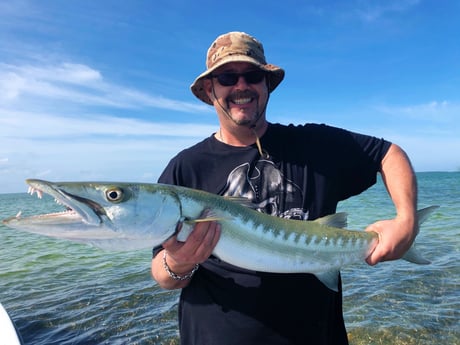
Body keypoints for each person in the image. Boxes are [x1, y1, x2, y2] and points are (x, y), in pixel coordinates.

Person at [151, 31, 418, 345]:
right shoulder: (186, 167)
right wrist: (179, 263)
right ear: (210, 90)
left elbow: (388, 154)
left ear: (266, 85)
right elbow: (163, 274)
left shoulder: (314, 146)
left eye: (252, 75)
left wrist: (406, 221)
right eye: (227, 77)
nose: (241, 86)